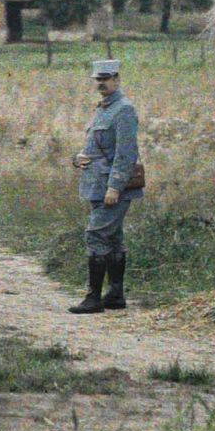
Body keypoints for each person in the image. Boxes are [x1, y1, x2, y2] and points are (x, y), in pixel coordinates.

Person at [68, 58, 141, 315]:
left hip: (112, 187)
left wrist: (115, 187)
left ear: (117, 79)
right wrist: (77, 159)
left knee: (96, 234)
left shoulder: (124, 110)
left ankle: (93, 298)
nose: (101, 83)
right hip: (95, 184)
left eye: (106, 79)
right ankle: (115, 295)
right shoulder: (103, 109)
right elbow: (97, 146)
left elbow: (126, 154)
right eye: (98, 79)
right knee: (112, 237)